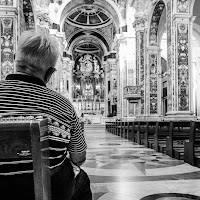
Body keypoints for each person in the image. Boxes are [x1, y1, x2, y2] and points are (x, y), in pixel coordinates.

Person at [0, 31, 92, 200]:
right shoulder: (63, 105)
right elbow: (79, 156)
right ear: (50, 73)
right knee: (82, 179)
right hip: (47, 191)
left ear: (14, 58)